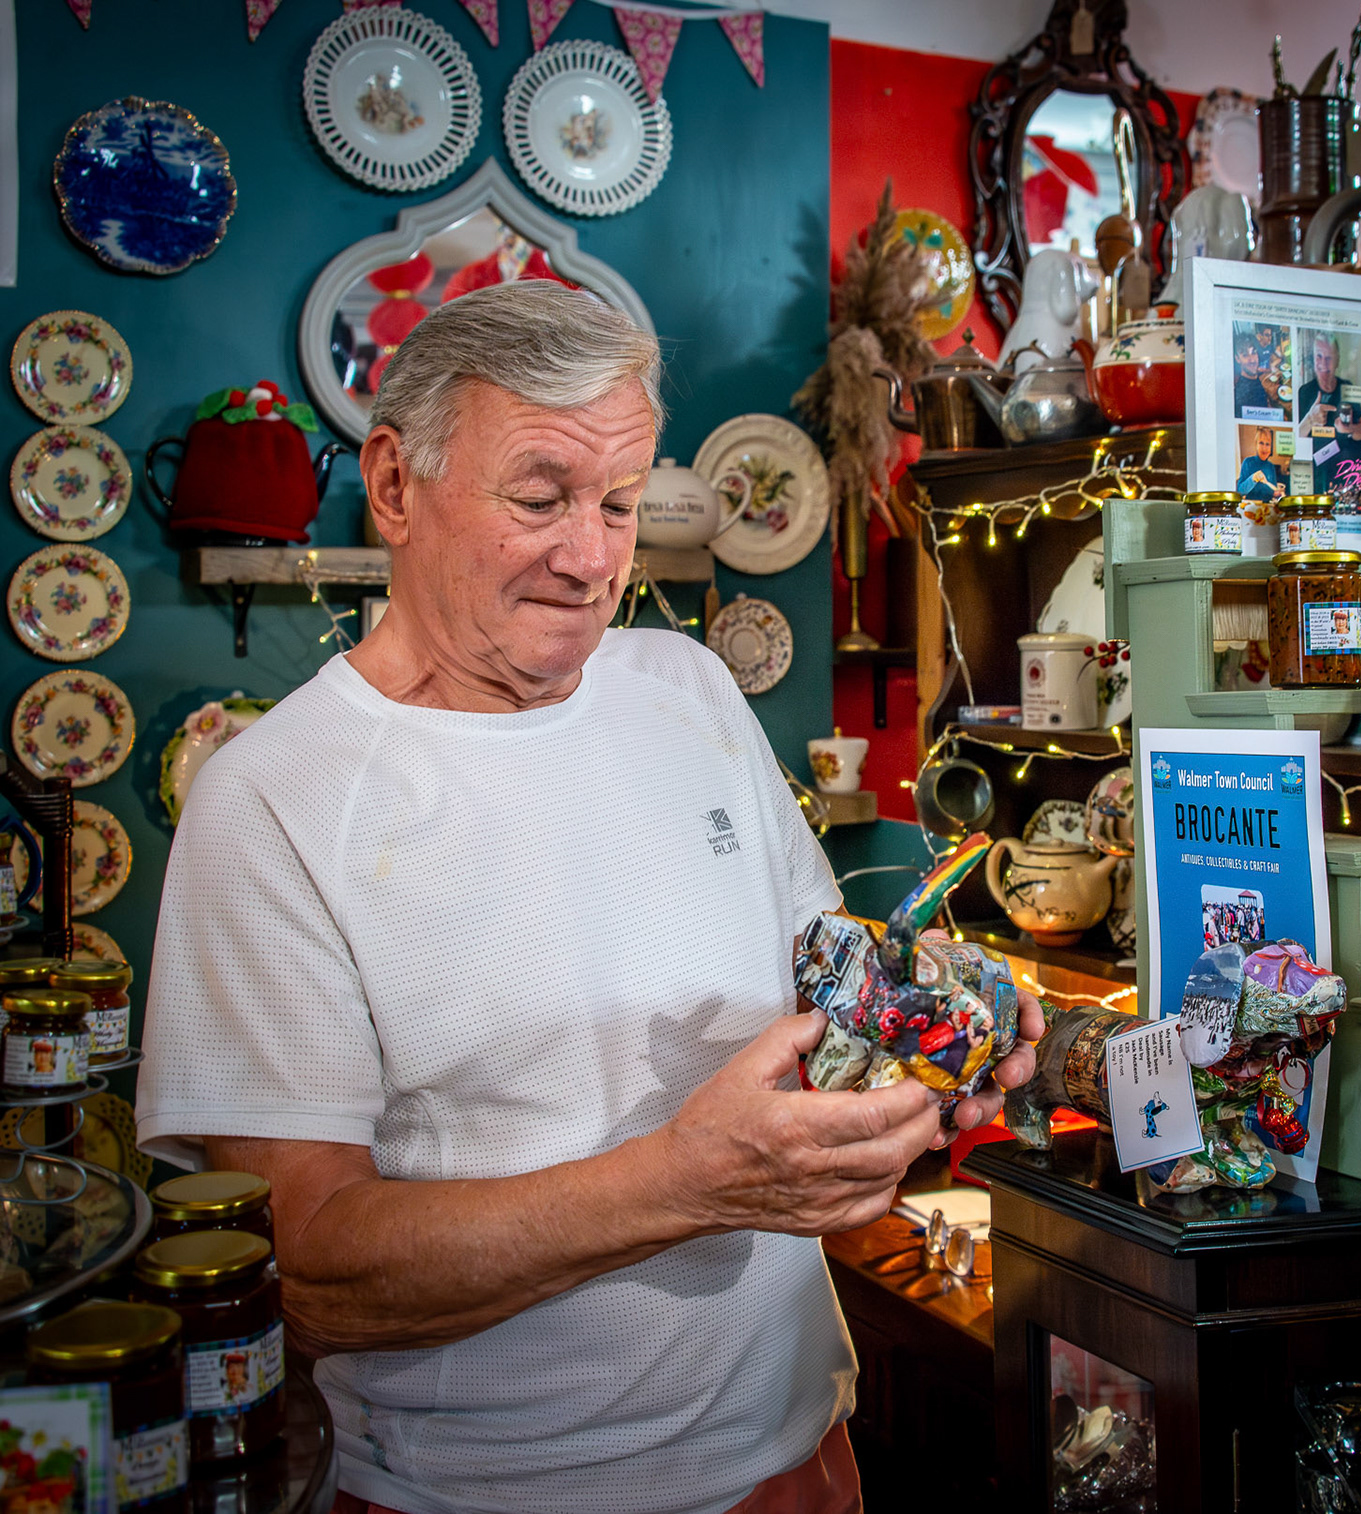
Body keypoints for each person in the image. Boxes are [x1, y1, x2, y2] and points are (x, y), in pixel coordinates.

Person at [135, 281, 1042, 1514]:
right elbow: (310, 1267)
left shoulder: (691, 685)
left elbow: (831, 981)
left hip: (805, 1461)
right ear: (396, 486)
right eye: (540, 497)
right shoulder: (270, 800)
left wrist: (939, 1037)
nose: (592, 555)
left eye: (617, 502)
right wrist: (683, 1181)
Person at [1295, 332, 1342, 436]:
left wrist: (1353, 429)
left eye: (1329, 357)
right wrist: (1310, 420)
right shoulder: (1303, 392)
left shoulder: (1347, 387)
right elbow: (1294, 439)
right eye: (1319, 356)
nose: (1323, 363)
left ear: (1337, 360)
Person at [1237, 427, 1285, 500]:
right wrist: (1253, 478)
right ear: (1256, 445)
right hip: (1251, 507)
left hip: (1267, 508)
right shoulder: (1248, 462)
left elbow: (1273, 492)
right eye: (1261, 443)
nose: (1264, 448)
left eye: (1267, 444)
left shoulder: (1271, 466)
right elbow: (1240, 491)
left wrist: (1278, 493)